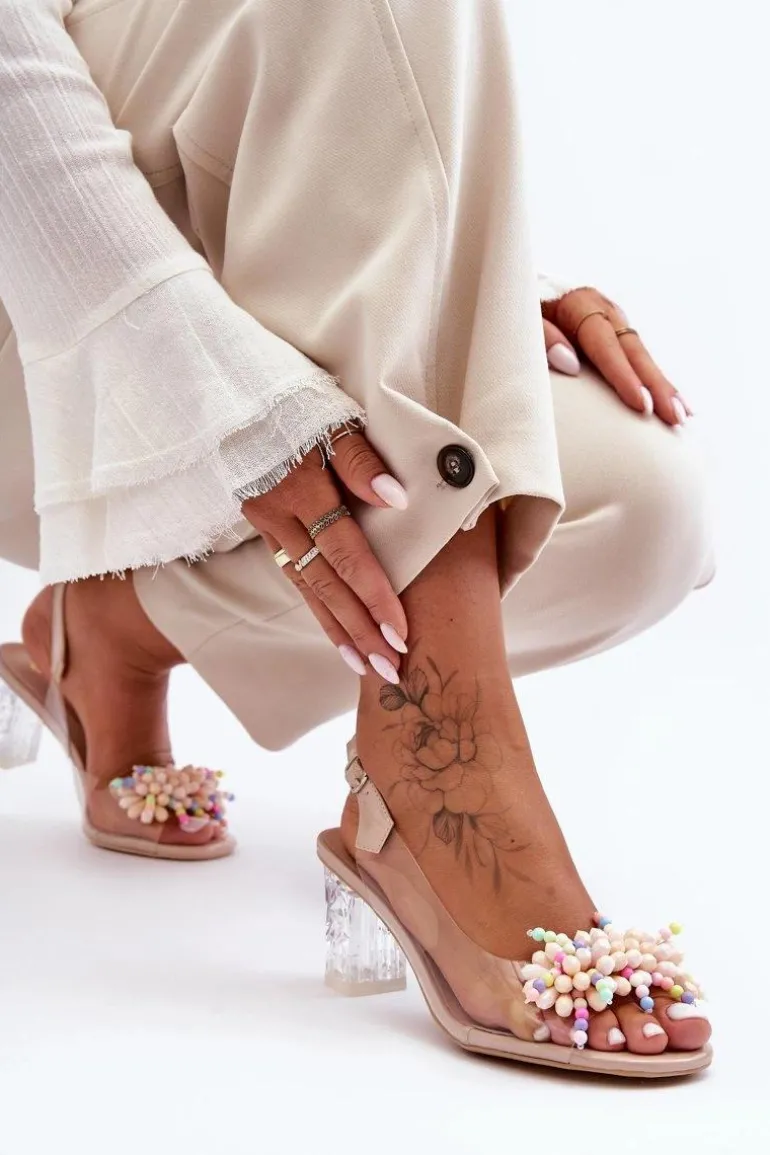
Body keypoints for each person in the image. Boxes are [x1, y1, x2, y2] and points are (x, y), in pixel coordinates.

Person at [0, 0, 713, 1072]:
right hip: (46, 304)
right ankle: (434, 761)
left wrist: (476, 293)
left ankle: (117, 624)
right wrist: (222, 395)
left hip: (209, 223)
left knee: (639, 510)